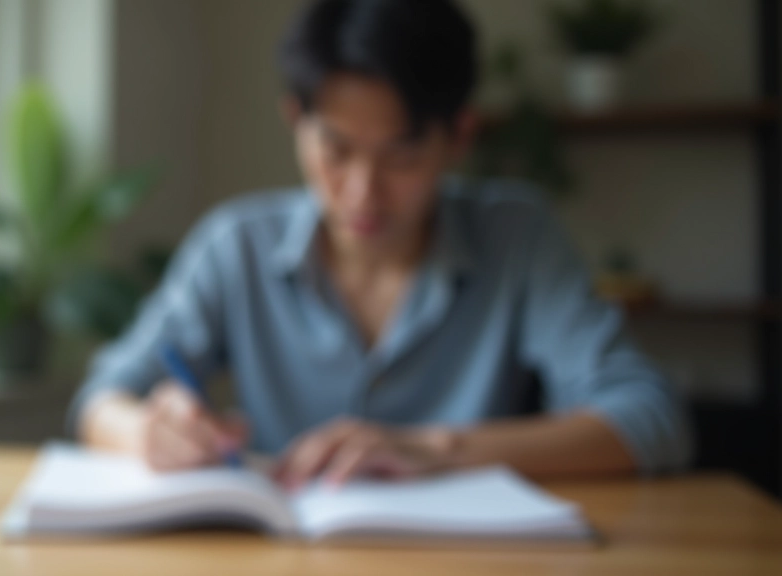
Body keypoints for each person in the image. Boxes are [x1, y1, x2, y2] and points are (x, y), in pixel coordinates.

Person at [69, 0, 691, 488]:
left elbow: (651, 419)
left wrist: (436, 449)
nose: (362, 193)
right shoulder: (237, 245)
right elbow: (102, 399)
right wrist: (150, 432)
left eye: (401, 156)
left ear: (459, 136)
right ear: (295, 121)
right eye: (335, 151)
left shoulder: (517, 237)